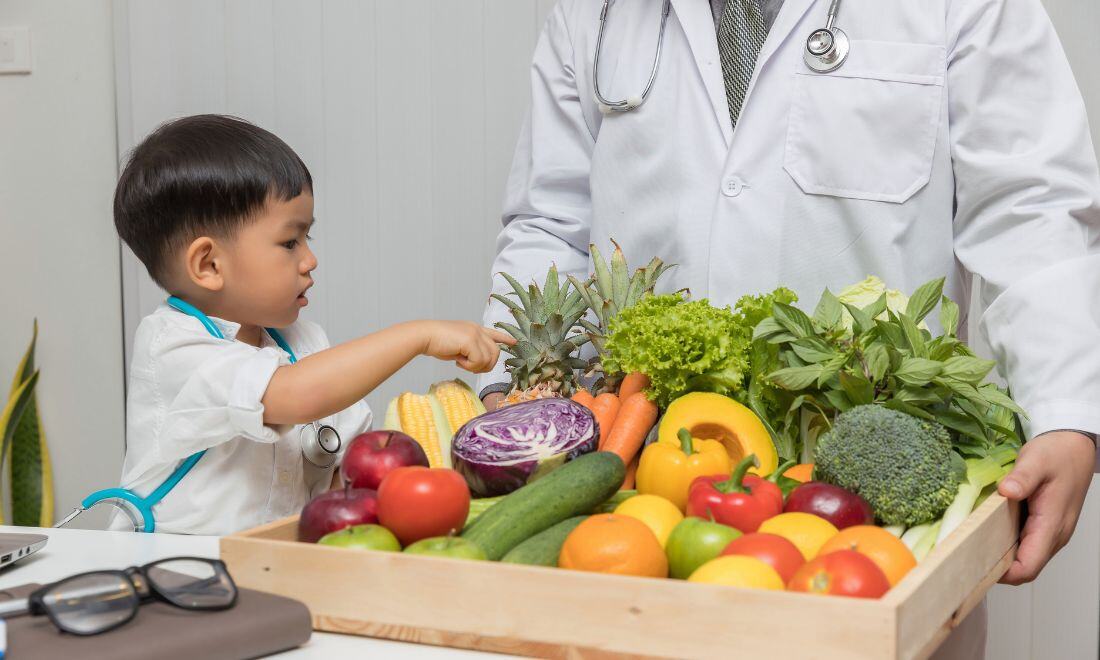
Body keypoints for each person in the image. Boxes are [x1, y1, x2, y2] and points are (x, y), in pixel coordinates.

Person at [479, 0, 1099, 654]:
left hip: (866, 505)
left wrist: (1065, 413)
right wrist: (517, 389)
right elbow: (549, 224)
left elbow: (1030, 212)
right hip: (641, 485)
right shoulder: (592, 11)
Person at [112, 115, 510, 536]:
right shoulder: (172, 348)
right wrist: (419, 335)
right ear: (209, 265)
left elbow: (345, 472)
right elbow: (294, 395)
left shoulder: (303, 343)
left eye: (307, 239)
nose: (310, 260)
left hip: (277, 564)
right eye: (289, 243)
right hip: (176, 572)